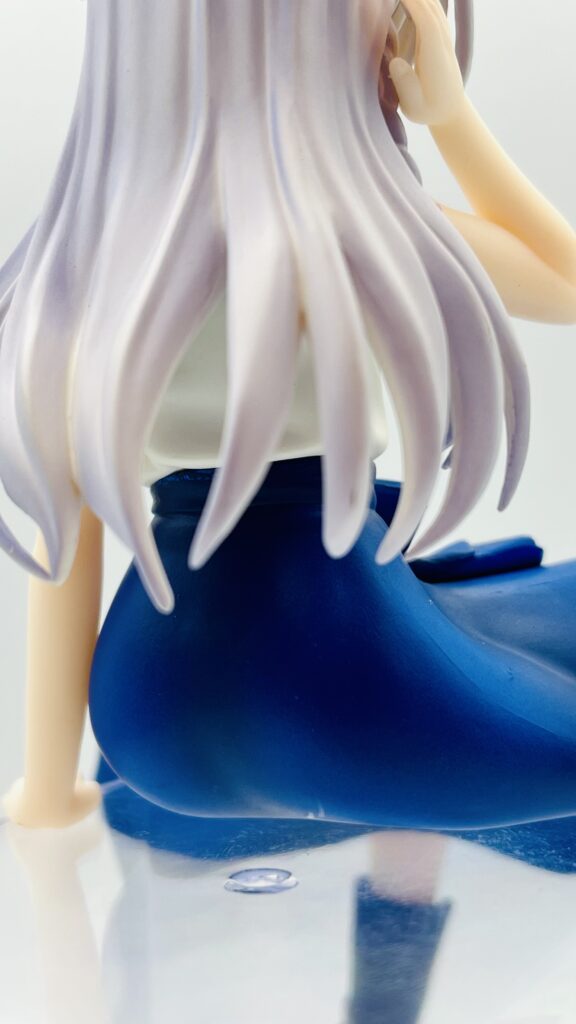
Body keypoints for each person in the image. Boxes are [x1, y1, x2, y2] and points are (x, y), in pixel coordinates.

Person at [2, 0, 576, 828]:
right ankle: (382, 858)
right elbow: (563, 282)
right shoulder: (344, 225)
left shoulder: (76, 274)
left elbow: (66, 555)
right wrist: (450, 117)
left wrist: (49, 795)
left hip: (147, 711)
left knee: (532, 608)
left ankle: (238, 830)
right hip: (330, 666)